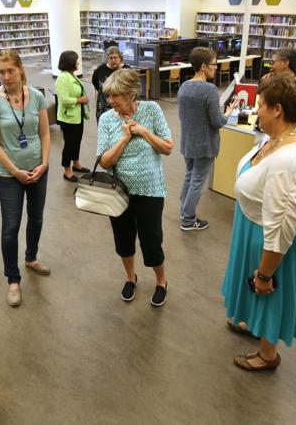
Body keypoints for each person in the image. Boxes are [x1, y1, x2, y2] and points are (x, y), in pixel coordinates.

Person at [221, 74, 296, 372]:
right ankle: (253, 324)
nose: (256, 110)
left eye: (260, 105)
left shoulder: (288, 162)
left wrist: (265, 274)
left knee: (267, 290)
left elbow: (282, 227)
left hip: (274, 238)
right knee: (255, 288)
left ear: (277, 109)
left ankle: (267, 355)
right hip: (254, 224)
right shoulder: (280, 135)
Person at [97, 69, 174, 307]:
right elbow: (104, 161)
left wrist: (142, 131)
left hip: (150, 190)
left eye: (115, 96)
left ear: (131, 95)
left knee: (151, 241)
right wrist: (124, 138)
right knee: (123, 239)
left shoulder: (152, 110)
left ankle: (161, 281)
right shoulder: (106, 119)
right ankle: (131, 277)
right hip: (118, 192)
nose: (111, 101)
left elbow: (168, 147)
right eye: (109, 96)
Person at [0, 50, 52, 307]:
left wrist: (44, 164)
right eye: (1, 71)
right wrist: (15, 171)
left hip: (38, 170)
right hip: (9, 175)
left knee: (36, 217)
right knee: (10, 227)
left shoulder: (35, 96)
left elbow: (45, 134)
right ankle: (13, 279)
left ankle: (31, 257)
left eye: (10, 70)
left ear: (21, 69)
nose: (6, 76)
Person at [177, 46, 237, 231]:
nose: (216, 68)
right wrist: (228, 112)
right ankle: (188, 219)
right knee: (197, 181)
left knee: (189, 176)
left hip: (188, 142)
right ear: (203, 66)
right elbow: (217, 122)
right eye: (213, 64)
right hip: (204, 145)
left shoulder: (184, 86)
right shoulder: (209, 90)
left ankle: (184, 212)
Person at [55, 50, 90, 182]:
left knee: (77, 141)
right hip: (68, 118)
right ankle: (67, 170)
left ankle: (76, 164)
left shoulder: (71, 75)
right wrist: (79, 100)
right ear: (70, 62)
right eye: (76, 60)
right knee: (69, 144)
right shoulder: (63, 78)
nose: (78, 62)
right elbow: (63, 99)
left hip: (77, 116)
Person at [91, 46, 130, 123]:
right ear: (107, 59)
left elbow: (133, 86)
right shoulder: (100, 70)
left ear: (120, 58)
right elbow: (95, 82)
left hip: (123, 107)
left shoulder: (127, 70)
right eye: (110, 58)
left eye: (115, 57)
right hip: (104, 108)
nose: (113, 60)